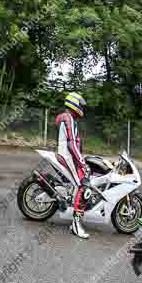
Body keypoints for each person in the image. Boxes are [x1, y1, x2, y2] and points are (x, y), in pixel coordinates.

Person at [56, 91, 90, 239]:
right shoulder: (68, 118)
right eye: (81, 105)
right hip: (67, 156)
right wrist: (82, 163)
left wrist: (82, 160)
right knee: (85, 185)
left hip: (67, 155)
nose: (82, 108)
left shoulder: (66, 117)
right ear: (74, 104)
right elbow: (72, 144)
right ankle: (76, 225)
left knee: (85, 176)